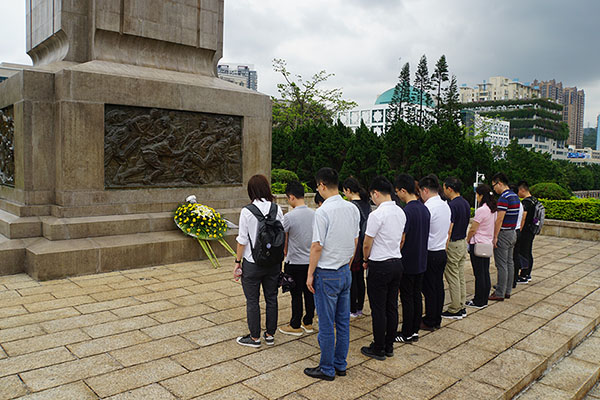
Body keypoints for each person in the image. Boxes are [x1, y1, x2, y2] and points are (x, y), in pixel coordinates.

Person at [304, 167, 360, 381]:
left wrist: (310, 274)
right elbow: (355, 240)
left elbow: (317, 246)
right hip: (345, 271)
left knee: (327, 324)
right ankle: (340, 364)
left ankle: (326, 368)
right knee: (343, 323)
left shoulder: (323, 212)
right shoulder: (352, 209)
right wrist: (348, 261)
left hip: (327, 273)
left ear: (321, 185)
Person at [234, 174, 284, 347]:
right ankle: (270, 334)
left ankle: (254, 338)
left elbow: (242, 240)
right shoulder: (277, 209)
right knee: (272, 297)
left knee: (253, 300)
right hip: (273, 263)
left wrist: (237, 262)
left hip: (252, 263)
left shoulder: (247, 211)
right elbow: (282, 234)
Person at [360, 176, 406, 360]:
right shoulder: (401, 212)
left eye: (372, 196)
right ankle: (389, 346)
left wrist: (365, 259)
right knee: (392, 306)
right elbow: (401, 238)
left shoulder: (377, 214)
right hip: (396, 262)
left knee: (378, 308)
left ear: (376, 193)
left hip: (379, 264)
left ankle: (378, 347)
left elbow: (366, 243)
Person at [394, 174, 430, 343]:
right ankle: (414, 330)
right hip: (421, 260)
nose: (397, 195)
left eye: (397, 192)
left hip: (408, 261)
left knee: (407, 298)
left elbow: (402, 239)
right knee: (416, 296)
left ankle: (407, 332)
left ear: (403, 190)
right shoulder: (424, 209)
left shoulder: (407, 211)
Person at [279, 181, 316, 336]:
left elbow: (282, 237)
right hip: (311, 261)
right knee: (310, 293)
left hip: (294, 262)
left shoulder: (289, 217)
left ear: (292, 197)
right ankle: (308, 322)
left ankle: (295, 324)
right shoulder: (315, 214)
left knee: (296, 295)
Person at [419, 174, 451, 331]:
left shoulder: (428, 208)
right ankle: (436, 317)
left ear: (425, 190)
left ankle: (431, 320)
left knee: (430, 289)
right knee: (438, 287)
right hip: (440, 251)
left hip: (430, 252)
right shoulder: (445, 205)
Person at [441, 177, 471, 320]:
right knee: (459, 275)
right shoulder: (465, 203)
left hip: (453, 244)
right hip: (462, 242)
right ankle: (461, 305)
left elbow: (449, 229)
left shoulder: (452, 205)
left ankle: (455, 308)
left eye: (444, 188)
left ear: (450, 188)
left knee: (452, 276)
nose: (443, 190)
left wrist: (444, 247)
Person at [342, 177, 371, 318]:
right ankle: (359, 307)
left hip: (355, 246)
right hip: (365, 245)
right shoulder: (366, 204)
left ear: (348, 190)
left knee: (352, 278)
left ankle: (352, 308)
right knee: (360, 278)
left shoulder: (351, 206)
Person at [465, 185, 497, 309]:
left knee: (479, 274)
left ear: (481, 195)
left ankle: (478, 301)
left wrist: (468, 240)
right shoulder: (493, 209)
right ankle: (484, 299)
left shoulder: (481, 210)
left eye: (477, 195)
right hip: (487, 243)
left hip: (478, 244)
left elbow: (473, 228)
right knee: (485, 272)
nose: (476, 197)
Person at [490, 173, 520, 301]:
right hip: (513, 232)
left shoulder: (504, 198)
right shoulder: (515, 196)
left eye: (494, 185)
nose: (494, 189)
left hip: (504, 233)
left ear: (499, 183)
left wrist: (495, 236)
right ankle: (507, 290)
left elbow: (499, 219)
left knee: (501, 264)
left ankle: (500, 292)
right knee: (509, 262)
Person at [516, 181, 537, 283]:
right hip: (532, 229)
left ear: (522, 190)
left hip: (525, 231)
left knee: (523, 252)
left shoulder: (526, 202)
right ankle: (528, 273)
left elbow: (523, 218)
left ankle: (524, 275)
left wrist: (519, 229)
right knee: (528, 251)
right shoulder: (535, 200)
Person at [510, 184, 525, 288]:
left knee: (510, 259)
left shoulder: (512, 203)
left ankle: (511, 281)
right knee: (514, 257)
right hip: (518, 230)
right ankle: (514, 280)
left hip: (512, 231)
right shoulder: (519, 203)